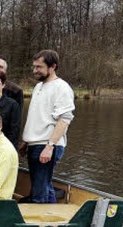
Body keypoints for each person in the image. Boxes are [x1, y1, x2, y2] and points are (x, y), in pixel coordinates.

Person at [19, 49, 75, 203]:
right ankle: (52, 219)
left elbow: (64, 120)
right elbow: (37, 118)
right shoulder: (38, 87)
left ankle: (42, 223)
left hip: (47, 145)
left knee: (40, 190)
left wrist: (50, 146)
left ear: (52, 67)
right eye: (34, 67)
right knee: (43, 185)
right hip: (35, 144)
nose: (35, 70)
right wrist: (26, 141)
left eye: (39, 67)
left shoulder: (62, 88)